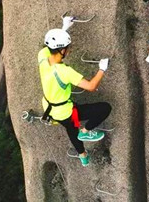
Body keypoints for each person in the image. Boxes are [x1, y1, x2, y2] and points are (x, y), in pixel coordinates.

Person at [38, 16, 112, 166]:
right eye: (68, 47)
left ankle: (83, 156)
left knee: (71, 128)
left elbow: (53, 45)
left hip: (49, 108)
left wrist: (64, 28)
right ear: (62, 50)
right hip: (65, 111)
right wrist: (102, 69)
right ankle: (86, 132)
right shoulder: (65, 71)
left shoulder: (42, 57)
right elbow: (91, 86)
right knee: (105, 108)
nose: (69, 50)